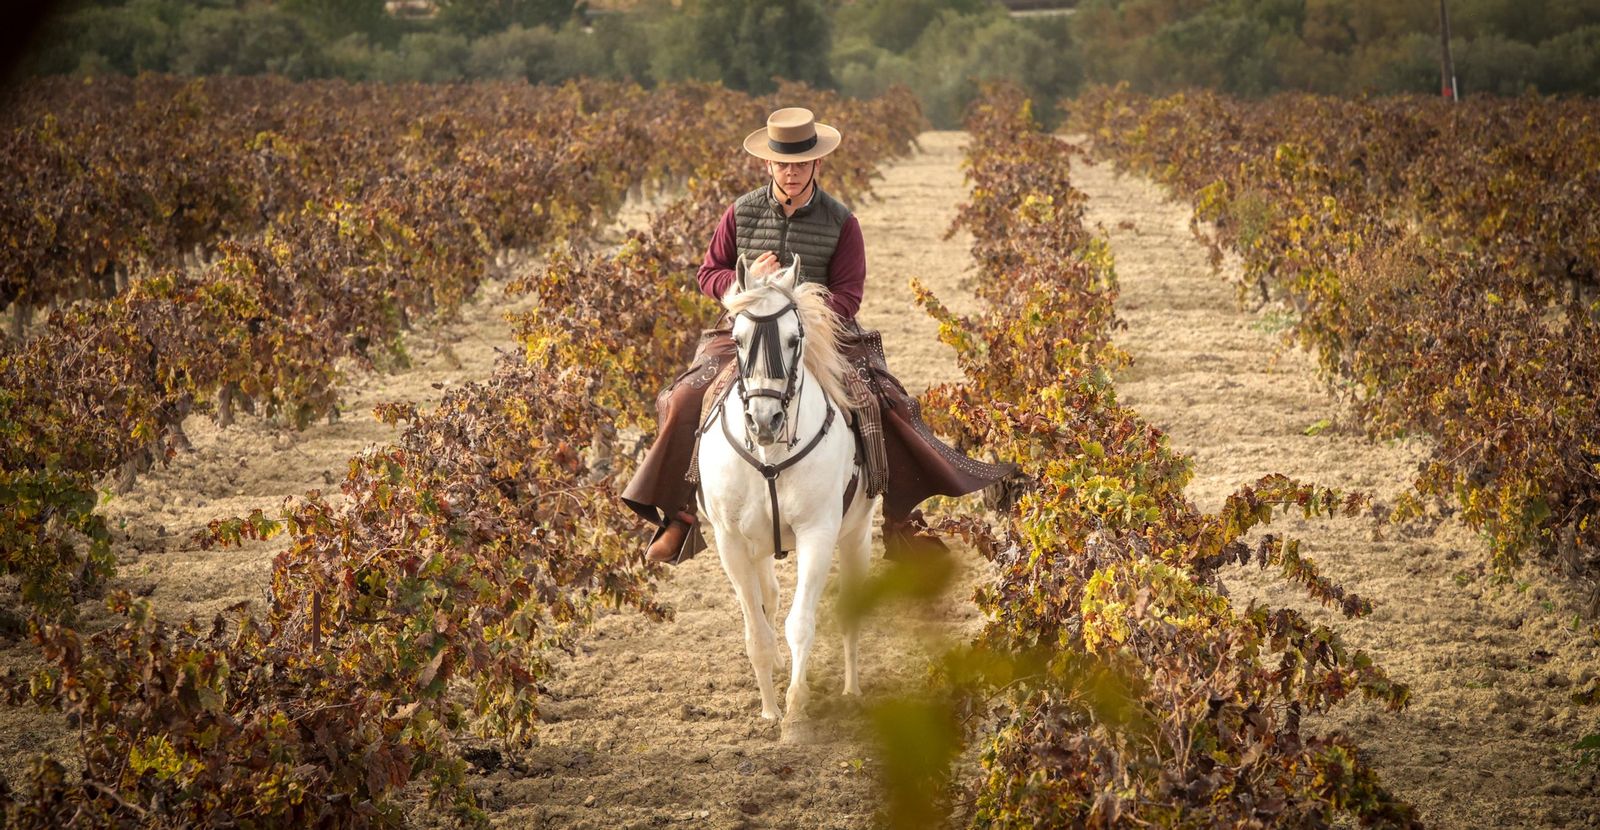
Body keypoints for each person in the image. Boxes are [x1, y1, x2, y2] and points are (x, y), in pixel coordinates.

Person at [621, 107, 1015, 564]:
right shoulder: (740, 212)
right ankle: (680, 514)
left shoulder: (841, 222)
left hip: (822, 334)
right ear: (768, 164)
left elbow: (849, 295)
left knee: (882, 401)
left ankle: (899, 520)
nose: (791, 172)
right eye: (782, 164)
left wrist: (805, 310)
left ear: (817, 165)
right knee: (686, 397)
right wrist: (740, 287)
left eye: (800, 164)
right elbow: (708, 272)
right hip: (745, 331)